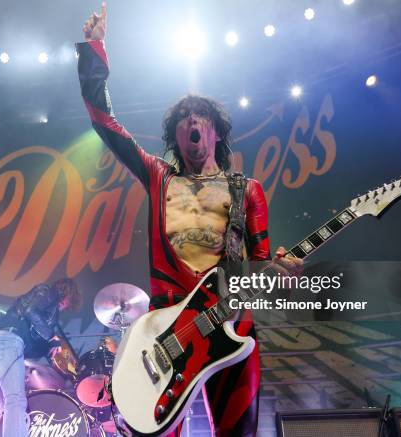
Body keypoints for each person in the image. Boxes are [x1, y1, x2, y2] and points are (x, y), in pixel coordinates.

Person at [77, 4, 303, 436]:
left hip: (229, 325)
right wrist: (94, 54)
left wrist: (280, 273)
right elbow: (106, 124)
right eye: (183, 118)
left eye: (201, 116)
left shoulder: (247, 191)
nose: (192, 121)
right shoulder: (158, 176)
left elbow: (258, 262)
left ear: (216, 131)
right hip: (166, 332)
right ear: (175, 136)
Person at [0, 279, 81, 437]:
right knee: (16, 401)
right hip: (7, 342)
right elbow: (31, 310)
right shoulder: (47, 291)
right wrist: (51, 337)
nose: (63, 308)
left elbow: (35, 336)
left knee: (7, 409)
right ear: (66, 294)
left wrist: (53, 351)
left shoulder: (43, 312)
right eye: (64, 305)